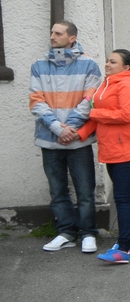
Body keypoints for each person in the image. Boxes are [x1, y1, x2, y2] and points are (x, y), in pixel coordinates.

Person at [31, 21, 101, 253]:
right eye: (51, 32)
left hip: (78, 140)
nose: (52, 36)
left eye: (58, 33)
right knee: (57, 190)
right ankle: (66, 233)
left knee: (85, 191)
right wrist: (58, 129)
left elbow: (90, 100)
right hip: (50, 139)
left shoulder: (89, 64)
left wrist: (68, 129)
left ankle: (88, 233)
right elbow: (36, 101)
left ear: (72, 38)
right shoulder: (39, 65)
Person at [73, 50, 130, 264]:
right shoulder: (107, 83)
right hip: (114, 149)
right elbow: (99, 116)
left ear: (126, 67)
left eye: (113, 62)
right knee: (128, 197)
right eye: (107, 61)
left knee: (123, 198)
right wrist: (80, 133)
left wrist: (94, 113)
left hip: (129, 149)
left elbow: (126, 114)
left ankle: (123, 249)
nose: (107, 64)